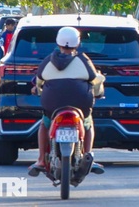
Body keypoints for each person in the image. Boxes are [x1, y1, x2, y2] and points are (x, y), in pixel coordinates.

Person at [28, 27, 105, 177]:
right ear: (77, 43)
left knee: (44, 123)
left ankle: (40, 160)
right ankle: (88, 154)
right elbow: (93, 78)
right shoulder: (83, 60)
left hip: (52, 105)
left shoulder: (48, 60)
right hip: (81, 105)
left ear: (58, 42)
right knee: (88, 124)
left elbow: (39, 80)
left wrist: (36, 89)